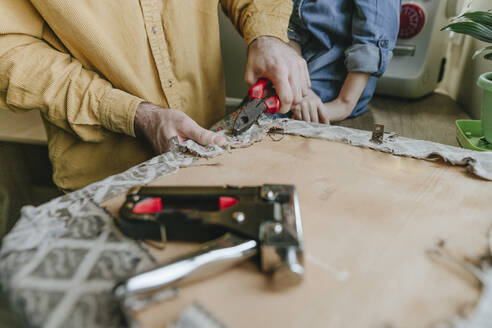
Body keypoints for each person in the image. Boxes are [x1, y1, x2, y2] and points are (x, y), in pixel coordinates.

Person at [0, 0, 309, 191]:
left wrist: (266, 36)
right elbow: (10, 54)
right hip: (110, 180)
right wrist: (134, 114)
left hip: (217, 163)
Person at [287, 0, 400, 124]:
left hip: (338, 90)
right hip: (293, 71)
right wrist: (299, 86)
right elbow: (292, 29)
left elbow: (371, 42)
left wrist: (343, 105)